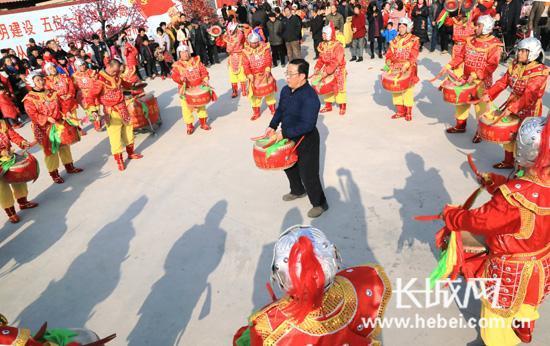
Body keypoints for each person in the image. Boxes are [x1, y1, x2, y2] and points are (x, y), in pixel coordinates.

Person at [440, 116, 549, 346]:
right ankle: (524, 327)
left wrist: (452, 216)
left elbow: (483, 221)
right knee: (528, 304)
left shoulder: (514, 198)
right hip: (541, 262)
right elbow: (527, 195)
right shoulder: (535, 185)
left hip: (511, 270)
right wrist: (498, 184)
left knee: (496, 318)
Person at [233, 225, 392, 344]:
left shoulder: (268, 327)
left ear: (279, 276)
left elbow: (241, 341)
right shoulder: (362, 284)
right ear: (333, 259)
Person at [267, 59, 328, 218]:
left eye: (291, 74)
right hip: (287, 135)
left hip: (306, 139)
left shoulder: (310, 97)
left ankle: (320, 203)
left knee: (309, 173)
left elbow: (307, 125)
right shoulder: (286, 91)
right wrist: (272, 126)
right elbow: (280, 110)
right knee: (288, 165)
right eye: (286, 73)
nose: (287, 77)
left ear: (302, 76)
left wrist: (284, 133)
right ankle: (297, 190)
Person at [481, 37, 549, 169]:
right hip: (513, 102)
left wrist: (513, 108)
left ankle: (523, 169)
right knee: (509, 133)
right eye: (519, 50)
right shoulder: (515, 65)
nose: (519, 53)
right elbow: (503, 82)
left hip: (530, 108)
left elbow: (529, 95)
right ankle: (508, 161)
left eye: (524, 51)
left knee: (525, 140)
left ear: (533, 53)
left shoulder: (540, 72)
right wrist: (489, 94)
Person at [443, 15, 502, 141]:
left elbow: (492, 65)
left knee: (481, 107)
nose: (476, 27)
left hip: (482, 81)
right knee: (462, 102)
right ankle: (460, 125)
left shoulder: (494, 44)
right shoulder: (471, 40)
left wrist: (476, 75)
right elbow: (461, 56)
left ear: (486, 27)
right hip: (466, 78)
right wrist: (450, 64)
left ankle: (480, 131)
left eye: (479, 25)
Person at [23, 71, 83, 184]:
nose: (41, 82)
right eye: (37, 80)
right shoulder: (29, 99)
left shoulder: (52, 92)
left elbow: (62, 104)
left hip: (58, 123)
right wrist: (46, 118)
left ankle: (69, 166)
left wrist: (66, 112)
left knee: (64, 145)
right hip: (44, 128)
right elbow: (33, 114)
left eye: (41, 79)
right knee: (50, 151)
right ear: (32, 83)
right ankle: (54, 174)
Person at [90, 59, 143, 171]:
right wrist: (94, 110)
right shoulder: (99, 80)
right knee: (115, 136)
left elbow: (124, 84)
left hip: (122, 107)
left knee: (128, 130)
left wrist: (133, 85)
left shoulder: (117, 75)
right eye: (114, 71)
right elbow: (91, 96)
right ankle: (119, 160)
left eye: (117, 71)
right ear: (108, 66)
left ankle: (131, 153)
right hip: (111, 111)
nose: (116, 73)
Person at [0, 114, 38, 223]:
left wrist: (22, 142)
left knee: (19, 179)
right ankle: (11, 213)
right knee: (3, 189)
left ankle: (23, 202)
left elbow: (12, 134)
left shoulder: (2, 123)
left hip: (9, 158)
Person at [171, 45, 214, 135]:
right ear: (179, 54)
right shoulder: (177, 66)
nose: (185, 54)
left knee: (201, 106)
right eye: (182, 53)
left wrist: (205, 78)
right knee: (186, 109)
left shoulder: (196, 61)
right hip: (185, 91)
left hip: (198, 89)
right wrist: (180, 78)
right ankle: (189, 126)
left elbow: (203, 71)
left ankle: (203, 123)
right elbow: (174, 76)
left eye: (186, 51)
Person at [385, 17, 419, 121]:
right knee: (395, 89)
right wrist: (388, 62)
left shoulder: (414, 39)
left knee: (408, 90)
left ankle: (408, 111)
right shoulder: (395, 39)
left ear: (408, 27)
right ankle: (400, 110)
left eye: (403, 26)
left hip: (408, 67)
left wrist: (407, 64)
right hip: (396, 67)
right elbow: (389, 54)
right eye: (399, 26)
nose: (401, 28)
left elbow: (414, 55)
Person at [242, 32, 277, 121]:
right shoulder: (245, 52)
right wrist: (249, 74)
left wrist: (268, 69)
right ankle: (256, 112)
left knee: (269, 94)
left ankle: (273, 110)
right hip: (254, 76)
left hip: (265, 74)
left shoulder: (264, 48)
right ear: (249, 42)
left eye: (257, 42)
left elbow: (268, 59)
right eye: (254, 43)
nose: (256, 44)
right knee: (255, 96)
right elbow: (245, 65)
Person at [315, 23, 347, 116]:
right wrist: (317, 68)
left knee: (340, 88)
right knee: (327, 86)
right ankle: (328, 105)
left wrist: (327, 71)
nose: (322, 35)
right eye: (323, 33)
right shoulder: (323, 45)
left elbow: (337, 60)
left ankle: (342, 105)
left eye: (325, 33)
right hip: (327, 69)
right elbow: (321, 59)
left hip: (338, 69)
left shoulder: (338, 46)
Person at [72, 58, 102, 132]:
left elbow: (97, 81)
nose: (83, 67)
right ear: (77, 67)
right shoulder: (75, 76)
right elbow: (74, 86)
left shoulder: (91, 72)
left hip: (93, 93)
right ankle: (96, 125)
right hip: (83, 95)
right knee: (89, 111)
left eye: (83, 65)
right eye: (80, 66)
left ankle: (98, 123)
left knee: (96, 109)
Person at [225, 22, 247, 98]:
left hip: (239, 55)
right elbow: (227, 48)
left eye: (233, 30)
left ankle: (244, 89)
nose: (231, 32)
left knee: (241, 73)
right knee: (232, 75)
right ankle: (234, 91)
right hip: (231, 57)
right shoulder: (228, 36)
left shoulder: (239, 34)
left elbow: (233, 44)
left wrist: (228, 40)